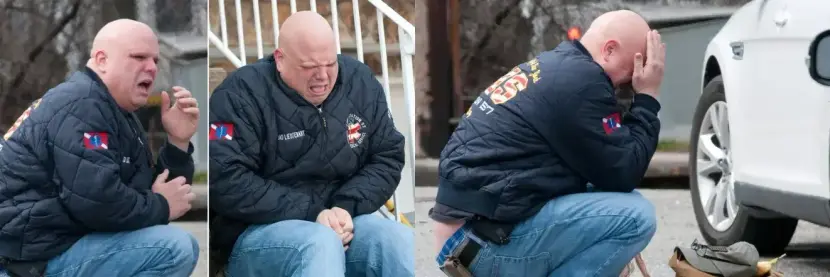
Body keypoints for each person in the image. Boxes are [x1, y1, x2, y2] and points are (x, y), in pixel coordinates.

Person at [431, 10, 665, 277]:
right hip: (482, 244)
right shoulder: (582, 82)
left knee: (617, 209)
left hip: (465, 236)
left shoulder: (554, 68)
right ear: (609, 50)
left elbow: (603, 172)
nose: (632, 80)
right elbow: (625, 170)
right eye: (634, 67)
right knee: (635, 217)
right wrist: (647, 98)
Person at [208, 11, 414, 277]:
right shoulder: (239, 94)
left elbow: (387, 156)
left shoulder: (360, 81)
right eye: (309, 67)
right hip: (256, 235)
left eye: (330, 63)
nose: (323, 76)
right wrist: (311, 213)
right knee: (319, 243)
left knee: (396, 239)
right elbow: (223, 178)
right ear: (280, 59)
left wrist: (345, 206)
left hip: (342, 221)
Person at [0, 19, 200, 277]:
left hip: (55, 245)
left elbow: (148, 191)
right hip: (27, 258)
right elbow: (96, 201)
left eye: (155, 60)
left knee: (178, 245)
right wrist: (160, 205)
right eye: (139, 57)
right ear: (102, 60)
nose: (151, 68)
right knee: (172, 248)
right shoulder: (82, 104)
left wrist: (178, 143)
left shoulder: (114, 110)